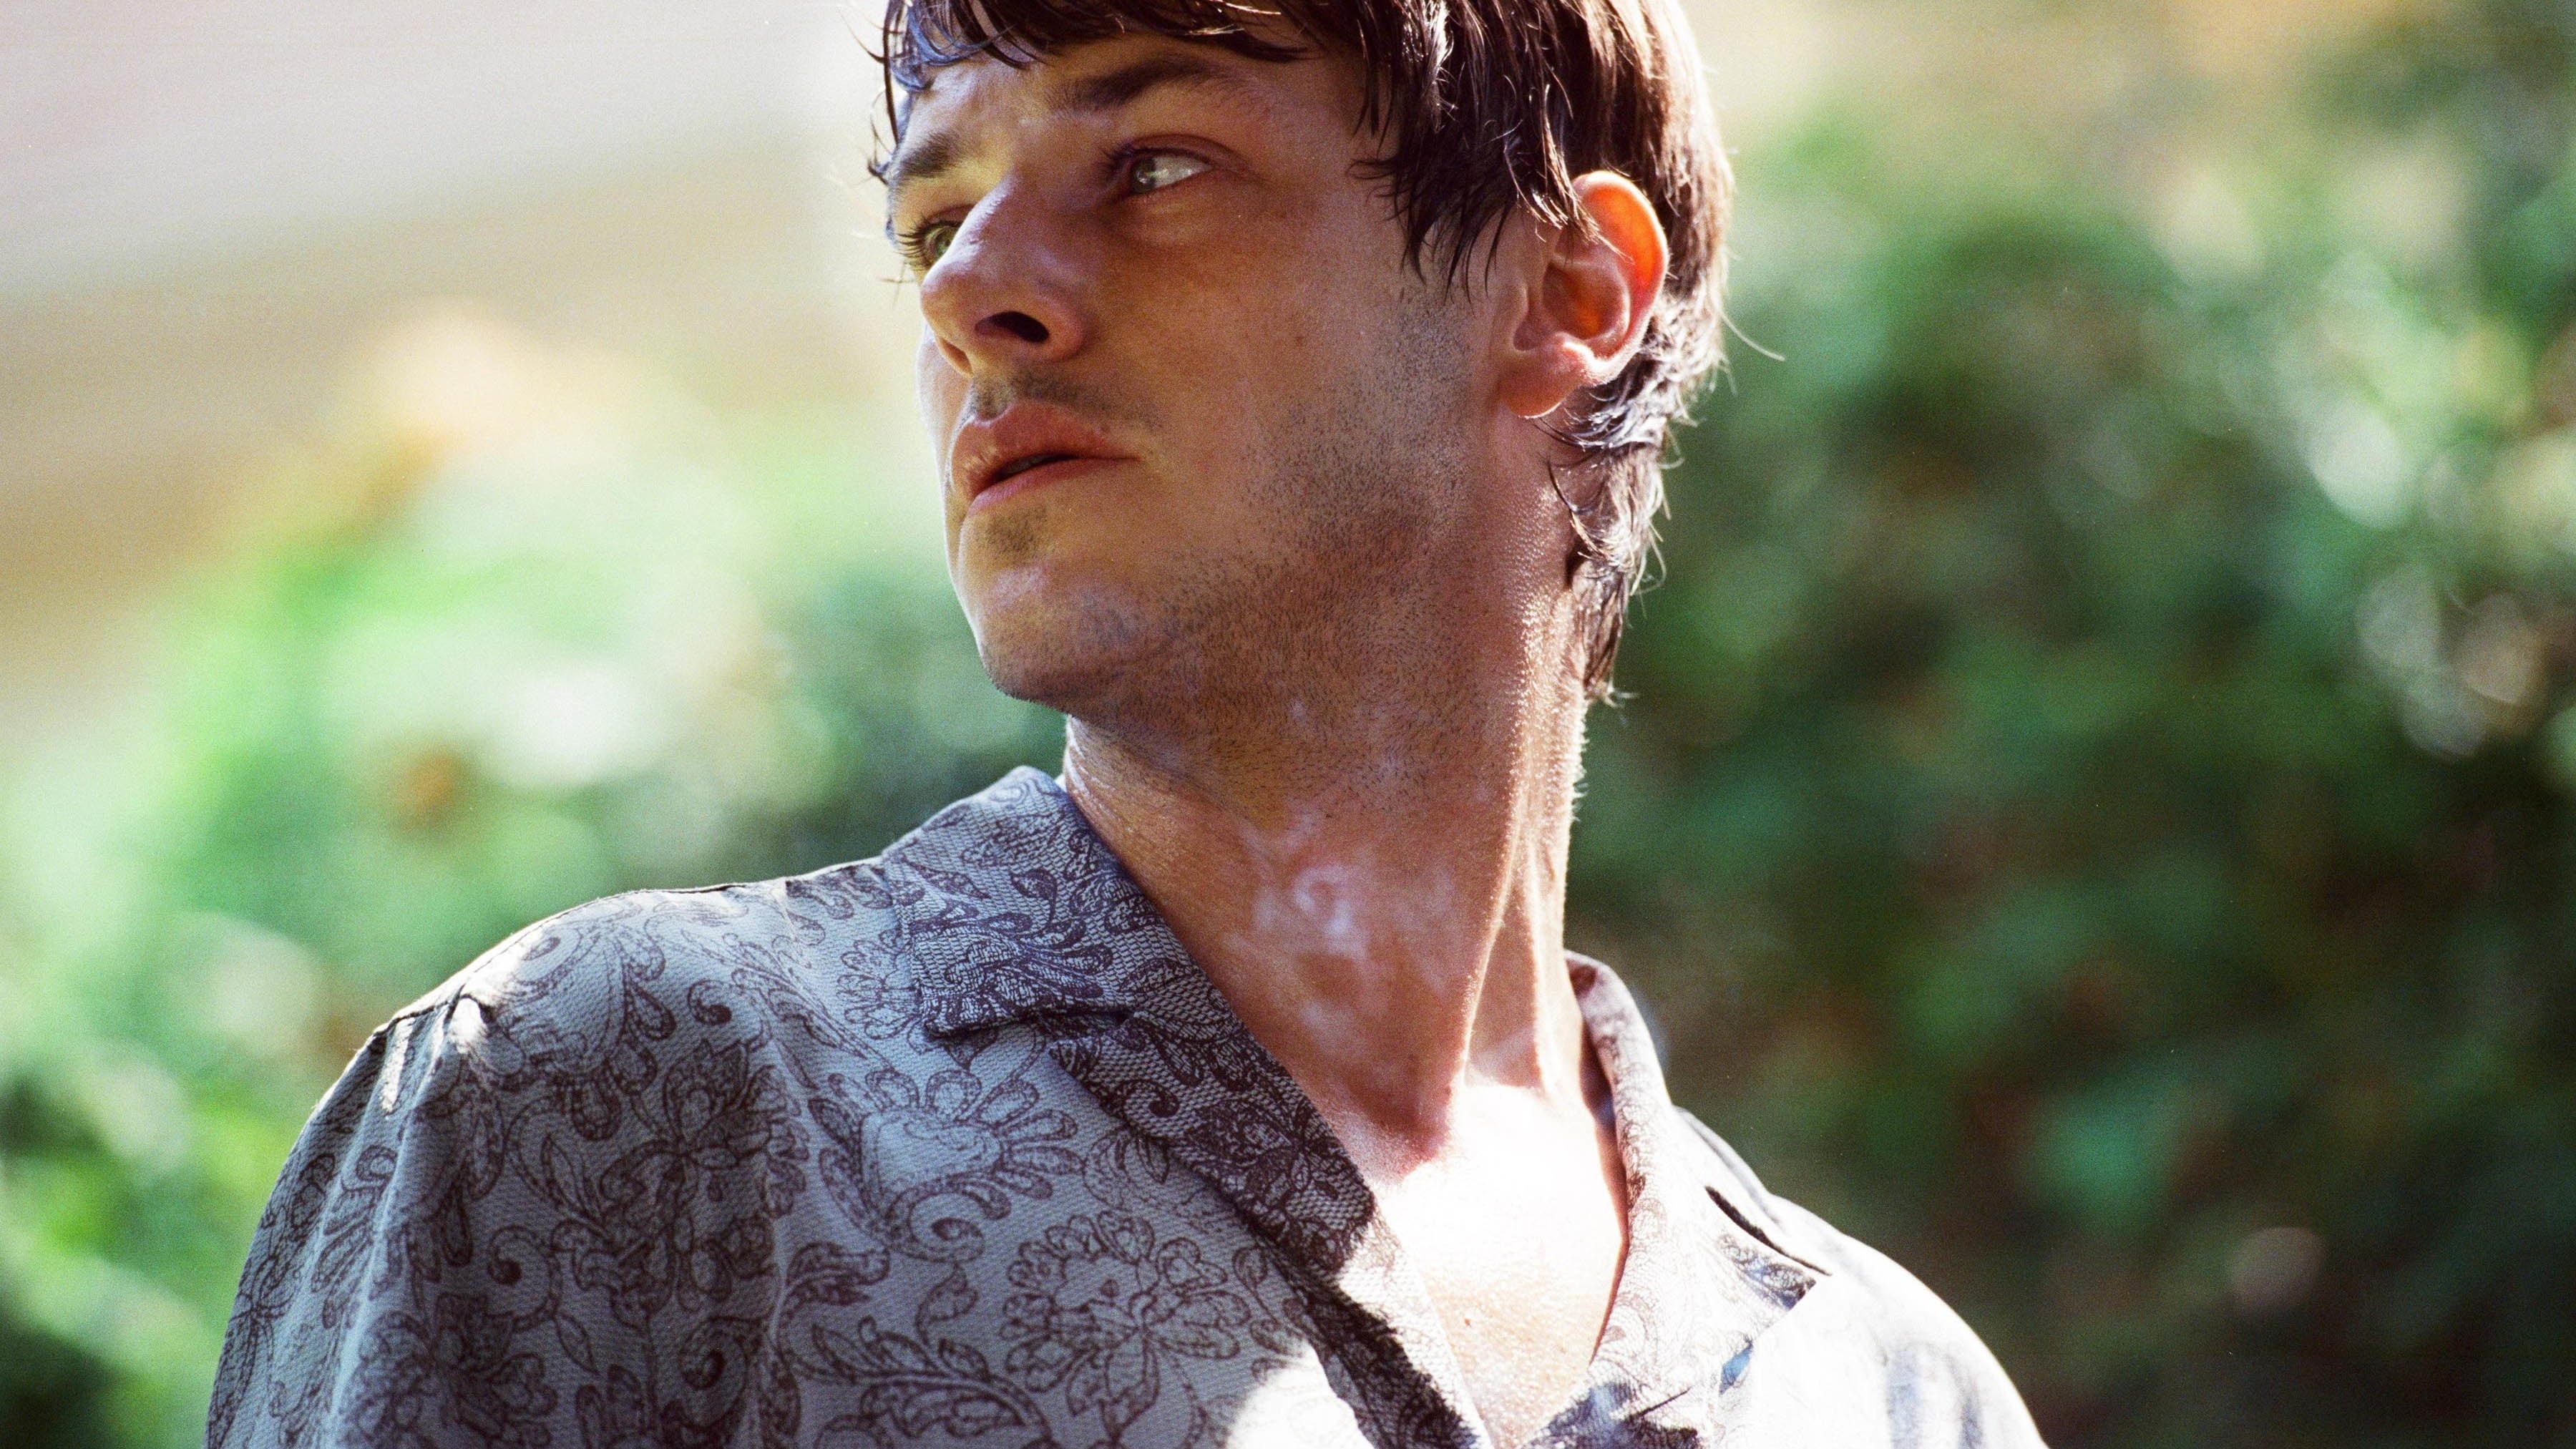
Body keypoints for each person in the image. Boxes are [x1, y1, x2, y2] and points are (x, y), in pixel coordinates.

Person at [208, 1, 2047, 1445]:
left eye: (1156, 165)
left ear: (1566, 289)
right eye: (934, 219)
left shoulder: (1893, 1395)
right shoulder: (619, 1098)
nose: (967, 291)